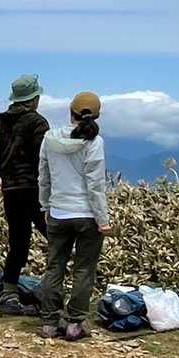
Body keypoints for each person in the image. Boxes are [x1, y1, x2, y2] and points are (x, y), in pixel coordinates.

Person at [37, 92, 110, 341]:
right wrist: (103, 219)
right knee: (84, 269)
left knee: (54, 266)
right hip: (87, 215)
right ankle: (74, 324)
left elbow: (44, 176)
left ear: (71, 112)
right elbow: (95, 185)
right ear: (97, 115)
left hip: (58, 212)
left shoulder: (50, 138)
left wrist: (45, 206)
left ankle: (49, 323)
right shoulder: (94, 142)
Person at [0, 73, 49, 316]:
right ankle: (49, 291)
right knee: (56, 238)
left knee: (18, 242)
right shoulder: (38, 123)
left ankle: (9, 294)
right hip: (35, 190)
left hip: (10, 190)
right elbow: (44, 160)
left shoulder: (0, 125)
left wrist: (9, 179)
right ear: (34, 99)